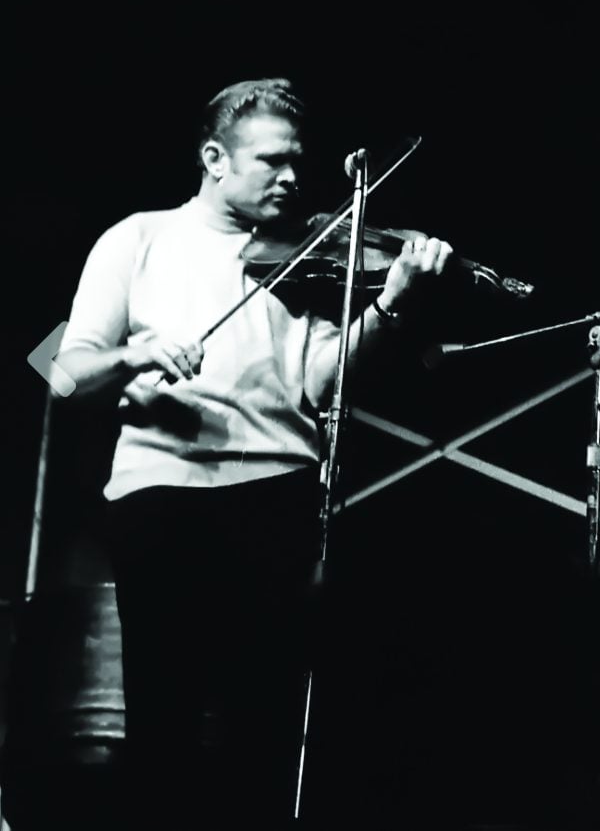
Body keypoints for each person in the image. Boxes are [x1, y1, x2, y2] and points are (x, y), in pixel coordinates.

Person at [49, 78, 457, 824]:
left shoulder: (309, 256)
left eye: (299, 161)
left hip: (275, 492)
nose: (294, 178)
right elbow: (67, 374)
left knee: (261, 726)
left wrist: (391, 300)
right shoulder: (138, 238)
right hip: (160, 497)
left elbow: (318, 381)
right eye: (272, 161)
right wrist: (137, 353)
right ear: (213, 157)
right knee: (162, 722)